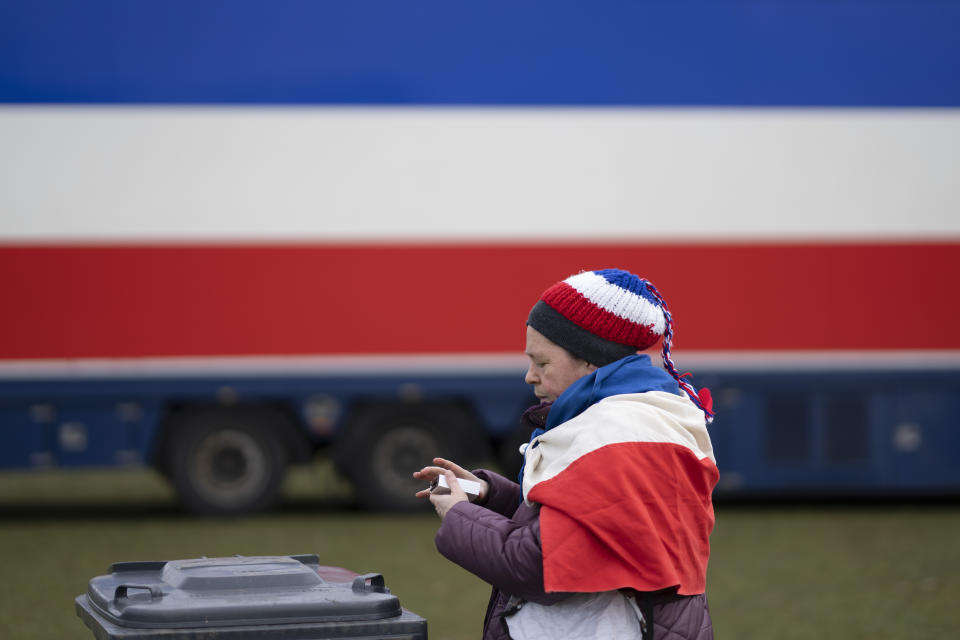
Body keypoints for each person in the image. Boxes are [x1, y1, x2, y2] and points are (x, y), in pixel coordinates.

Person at [413, 269, 718, 640]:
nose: (529, 376)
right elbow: (579, 525)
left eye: (542, 363)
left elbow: (539, 564)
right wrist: (488, 494)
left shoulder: (617, 435)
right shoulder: (637, 419)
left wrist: (457, 512)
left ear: (591, 361)